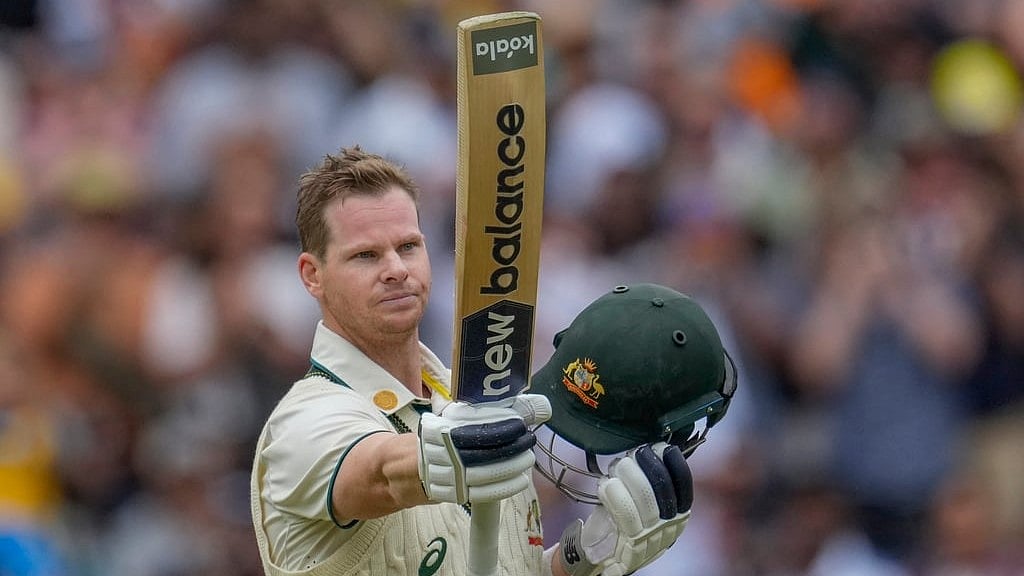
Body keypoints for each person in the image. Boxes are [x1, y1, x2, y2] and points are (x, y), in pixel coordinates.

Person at [250, 147, 734, 576]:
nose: (396, 269)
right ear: (312, 275)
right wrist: (433, 458)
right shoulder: (303, 421)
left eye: (408, 246)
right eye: (365, 256)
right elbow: (379, 473)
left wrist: (584, 559)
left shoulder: (473, 406)